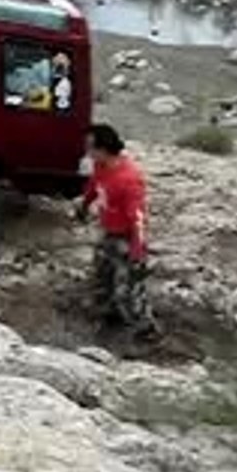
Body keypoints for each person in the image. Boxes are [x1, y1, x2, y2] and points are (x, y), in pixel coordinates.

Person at [75, 124, 159, 340]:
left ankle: (146, 329)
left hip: (127, 238)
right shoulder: (100, 166)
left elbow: (137, 219)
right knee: (101, 275)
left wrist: (137, 253)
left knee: (129, 290)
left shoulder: (129, 180)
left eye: (90, 147)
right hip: (108, 232)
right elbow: (95, 185)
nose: (87, 152)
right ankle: (108, 313)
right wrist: (84, 205)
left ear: (103, 149)